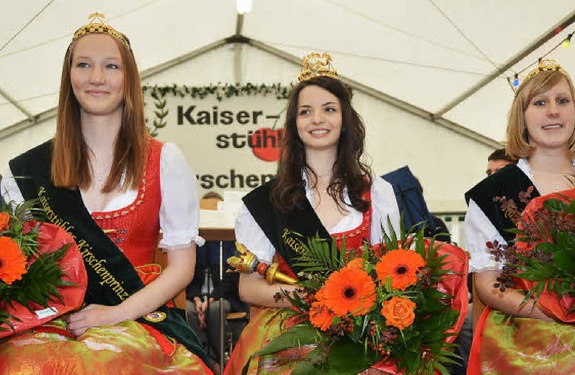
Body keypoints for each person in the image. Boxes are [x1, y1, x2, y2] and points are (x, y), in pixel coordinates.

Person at [0, 14, 212, 373]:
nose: (96, 77)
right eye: (84, 65)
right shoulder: (24, 171)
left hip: (137, 314)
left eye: (111, 66)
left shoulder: (164, 160)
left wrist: (116, 313)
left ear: (128, 78)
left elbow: (181, 269)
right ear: (69, 77)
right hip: (50, 322)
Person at [223, 53, 402, 374]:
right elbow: (248, 288)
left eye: (329, 109)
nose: (317, 119)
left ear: (345, 120)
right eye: (306, 111)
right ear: (294, 125)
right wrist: (311, 297)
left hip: (359, 331)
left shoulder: (378, 192)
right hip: (287, 329)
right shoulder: (266, 201)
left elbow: (393, 279)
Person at [464, 60, 575, 373]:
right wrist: (558, 316)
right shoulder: (493, 194)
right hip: (529, 329)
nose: (553, 111)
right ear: (523, 118)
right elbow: (489, 285)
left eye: (562, 101)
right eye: (540, 102)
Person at [186, 192, 249, 374]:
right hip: (197, 297)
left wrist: (210, 300)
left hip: (223, 298)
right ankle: (204, 360)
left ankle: (222, 362)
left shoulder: (228, 241)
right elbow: (189, 276)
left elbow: (230, 281)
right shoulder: (197, 241)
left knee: (216, 309)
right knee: (188, 311)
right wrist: (197, 299)